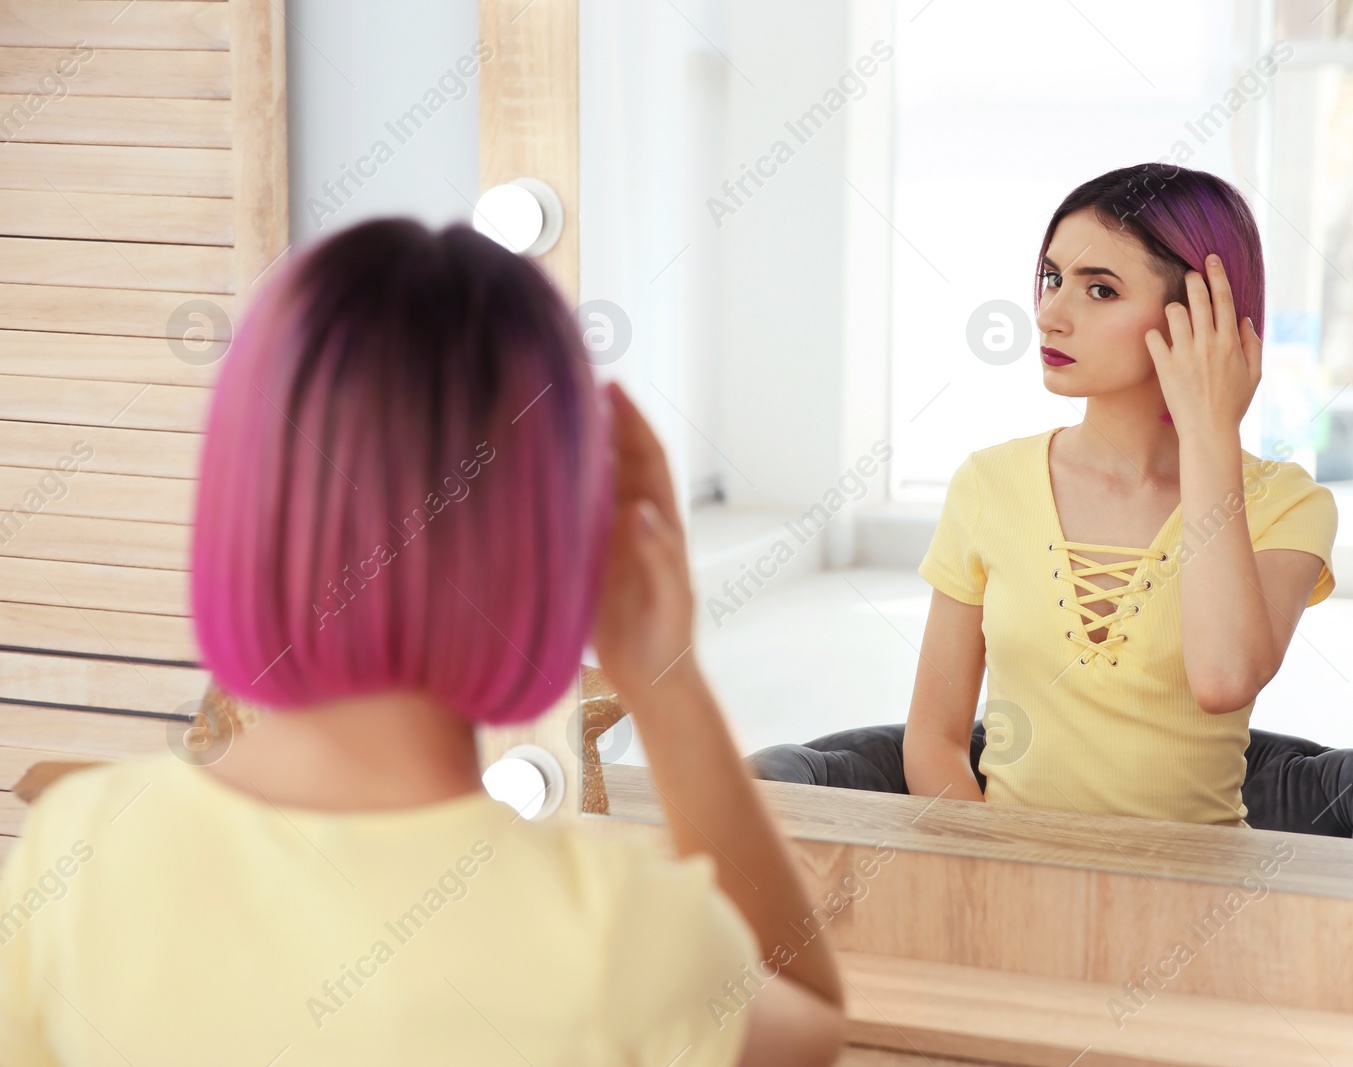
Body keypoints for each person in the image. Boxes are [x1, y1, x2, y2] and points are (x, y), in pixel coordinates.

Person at [0, 219, 844, 1066]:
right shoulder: (619, 942)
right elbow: (805, 1015)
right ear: (555, 545)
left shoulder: (76, 851)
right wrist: (665, 674)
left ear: (243, 504)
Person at [904, 164, 1338, 827]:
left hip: (1199, 904)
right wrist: (1000, 877)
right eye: (1052, 279)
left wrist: (1209, 430)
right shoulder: (986, 485)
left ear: (1201, 315)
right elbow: (933, 739)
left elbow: (1223, 679)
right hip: (1011, 894)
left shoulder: (1286, 504)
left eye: (1099, 290)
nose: (1050, 314)